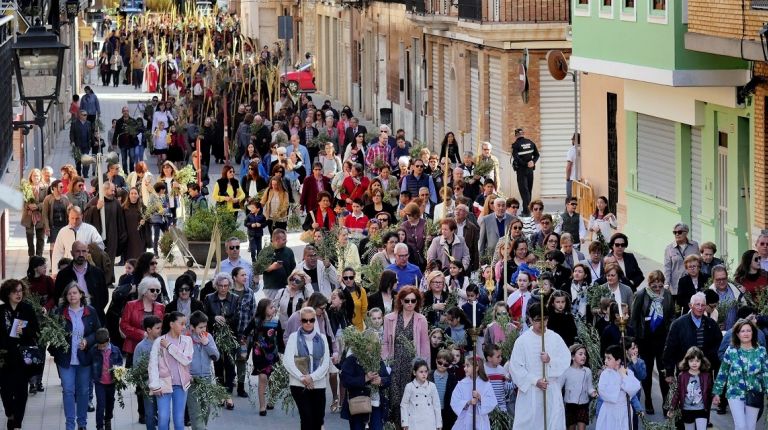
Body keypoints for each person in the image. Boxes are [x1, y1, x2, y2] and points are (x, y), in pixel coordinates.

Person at [509, 303, 571, 430]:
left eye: (545, 319)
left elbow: (565, 360)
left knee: (552, 423)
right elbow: (516, 367)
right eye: (538, 320)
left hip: (550, 389)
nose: (542, 324)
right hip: (531, 391)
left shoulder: (555, 338)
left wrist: (550, 360)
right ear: (530, 320)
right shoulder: (522, 341)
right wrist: (534, 381)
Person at [53, 282, 102, 430]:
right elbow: (53, 331)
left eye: (74, 293)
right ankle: (69, 424)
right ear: (66, 297)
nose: (72, 296)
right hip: (65, 359)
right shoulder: (59, 312)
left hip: (84, 359)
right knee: (68, 390)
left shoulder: (90, 311)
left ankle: (82, 423)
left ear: (81, 294)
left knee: (83, 391)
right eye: (69, 293)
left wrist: (87, 340)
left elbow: (98, 332)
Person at [663, 292, 723, 404]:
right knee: (685, 402)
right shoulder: (678, 324)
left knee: (705, 402)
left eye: (703, 305)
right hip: (685, 371)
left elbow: (718, 348)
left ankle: (704, 421)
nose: (700, 308)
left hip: (705, 371)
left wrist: (712, 365)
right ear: (690, 306)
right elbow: (670, 348)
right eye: (697, 304)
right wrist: (669, 372)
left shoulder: (711, 325)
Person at [383, 286, 431, 425]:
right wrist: (385, 363)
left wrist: (423, 369)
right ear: (401, 301)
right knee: (394, 400)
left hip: (411, 365)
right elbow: (385, 342)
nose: (410, 303)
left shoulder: (421, 319)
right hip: (394, 364)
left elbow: (424, 345)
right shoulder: (389, 318)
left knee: (411, 399)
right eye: (407, 300)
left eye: (413, 300)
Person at [630, 270, 674, 415]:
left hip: (662, 339)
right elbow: (634, 318)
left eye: (660, 286)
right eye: (654, 286)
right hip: (645, 339)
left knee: (664, 372)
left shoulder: (667, 295)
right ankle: (648, 399)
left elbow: (671, 315)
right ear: (649, 284)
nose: (657, 289)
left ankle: (665, 402)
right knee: (647, 372)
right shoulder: (642, 295)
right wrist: (634, 339)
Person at [712, 318, 768, 430]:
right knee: (741, 426)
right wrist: (717, 393)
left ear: (753, 332)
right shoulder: (731, 351)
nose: (746, 333)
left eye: (748, 330)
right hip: (734, 393)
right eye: (742, 331)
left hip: (754, 393)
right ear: (737, 334)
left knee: (750, 427)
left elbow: (765, 374)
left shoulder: (761, 351)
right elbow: (723, 373)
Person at [0, 279, 39, 429]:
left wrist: (25, 331)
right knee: (6, 392)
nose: (18, 294)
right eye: (15, 291)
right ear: (7, 294)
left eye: (20, 290)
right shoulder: (1, 311)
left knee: (22, 392)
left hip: (23, 358)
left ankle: (17, 423)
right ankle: (10, 414)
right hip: (5, 358)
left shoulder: (27, 309)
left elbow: (36, 330)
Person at [284, 307, 331, 430]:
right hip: (298, 384)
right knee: (307, 418)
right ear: (300, 321)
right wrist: (303, 378)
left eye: (311, 320)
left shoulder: (322, 338)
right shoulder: (294, 337)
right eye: (305, 320)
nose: (308, 323)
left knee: (318, 419)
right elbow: (288, 361)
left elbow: (325, 362)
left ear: (315, 320)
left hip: (318, 384)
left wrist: (312, 377)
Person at [148, 311, 193, 430]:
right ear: (171, 324)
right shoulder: (159, 341)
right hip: (163, 384)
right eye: (181, 324)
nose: (184, 327)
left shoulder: (187, 341)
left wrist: (169, 346)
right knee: (163, 417)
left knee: (179, 419)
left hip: (181, 385)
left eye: (185, 324)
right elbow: (153, 365)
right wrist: (155, 385)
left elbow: (186, 360)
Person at [203, 272, 240, 409]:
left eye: (226, 285)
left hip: (230, 336)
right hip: (214, 336)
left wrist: (225, 321)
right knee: (218, 365)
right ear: (216, 286)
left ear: (230, 285)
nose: (223, 288)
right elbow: (205, 316)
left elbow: (237, 318)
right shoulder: (209, 298)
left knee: (230, 365)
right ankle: (220, 394)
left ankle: (228, 395)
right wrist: (214, 319)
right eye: (220, 285)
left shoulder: (235, 299)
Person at [243, 299, 281, 415]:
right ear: (263, 309)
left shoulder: (276, 322)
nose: (274, 309)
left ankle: (271, 400)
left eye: (274, 307)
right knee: (263, 378)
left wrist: (283, 352)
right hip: (259, 354)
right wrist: (244, 348)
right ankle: (262, 406)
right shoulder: (256, 321)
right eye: (271, 307)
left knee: (274, 380)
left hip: (272, 354)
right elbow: (245, 334)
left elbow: (280, 340)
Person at [54, 241, 109, 322]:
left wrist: (95, 312)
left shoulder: (97, 273)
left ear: (87, 252)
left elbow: (104, 297)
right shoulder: (63, 275)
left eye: (83, 251)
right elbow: (57, 297)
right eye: (78, 251)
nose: (81, 254)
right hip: (70, 319)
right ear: (72, 253)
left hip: (93, 318)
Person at [120, 276, 166, 369]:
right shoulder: (131, 305)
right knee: (133, 379)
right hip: (133, 348)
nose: (156, 293)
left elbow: (163, 327)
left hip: (154, 349)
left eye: (158, 290)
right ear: (144, 291)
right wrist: (142, 334)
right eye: (152, 290)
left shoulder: (161, 307)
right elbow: (124, 325)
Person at [595, 344, 642, 430]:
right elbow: (602, 391)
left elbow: (634, 388)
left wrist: (623, 376)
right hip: (609, 410)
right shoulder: (605, 374)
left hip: (624, 409)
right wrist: (620, 387)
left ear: (618, 360)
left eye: (609, 358)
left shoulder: (627, 372)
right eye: (605, 358)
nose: (605, 361)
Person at [186, 311, 220, 430]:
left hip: (206, 378)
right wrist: (186, 375)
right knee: (196, 412)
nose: (203, 329)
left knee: (206, 408)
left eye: (205, 326)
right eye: (200, 327)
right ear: (192, 327)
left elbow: (216, 356)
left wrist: (207, 344)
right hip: (191, 380)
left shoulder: (208, 337)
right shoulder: (186, 339)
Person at [51, 206, 105, 275]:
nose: (74, 221)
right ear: (68, 217)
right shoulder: (63, 231)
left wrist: (88, 248)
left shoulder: (90, 229)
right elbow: (57, 253)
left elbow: (101, 245)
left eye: (77, 218)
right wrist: (55, 272)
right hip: (68, 268)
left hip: (86, 268)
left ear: (82, 216)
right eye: (72, 218)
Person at [669, 346, 712, 430]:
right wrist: (672, 408)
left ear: (701, 362)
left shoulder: (706, 375)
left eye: (697, 361)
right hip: (687, 409)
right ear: (687, 361)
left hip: (702, 409)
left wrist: (715, 397)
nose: (694, 363)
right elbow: (678, 392)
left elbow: (710, 391)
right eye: (691, 361)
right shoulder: (682, 376)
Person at [88, 328, 122, 430]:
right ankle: (99, 426)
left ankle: (107, 419)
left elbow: (120, 362)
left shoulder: (115, 350)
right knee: (100, 404)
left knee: (110, 403)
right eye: (99, 346)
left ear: (108, 341)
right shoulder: (94, 351)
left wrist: (118, 371)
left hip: (111, 383)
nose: (102, 348)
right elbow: (89, 362)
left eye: (104, 346)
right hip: (100, 383)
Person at [400, 358, 442, 430]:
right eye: (421, 372)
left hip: (429, 422)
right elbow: (404, 405)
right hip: (414, 422)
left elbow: (437, 405)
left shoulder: (432, 386)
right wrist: (405, 423)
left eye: (426, 371)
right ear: (414, 373)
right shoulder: (409, 386)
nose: (424, 374)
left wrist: (439, 424)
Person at [563, 344, 597, 430]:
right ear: (573, 357)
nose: (583, 356)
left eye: (585, 354)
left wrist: (593, 392)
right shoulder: (566, 371)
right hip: (570, 405)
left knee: (582, 427)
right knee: (571, 427)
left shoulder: (587, 371)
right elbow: (559, 386)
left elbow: (589, 387)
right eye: (580, 354)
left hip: (583, 405)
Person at [664, 222, 700, 297]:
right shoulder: (669, 248)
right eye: (675, 232)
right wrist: (666, 284)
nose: (677, 234)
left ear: (686, 233)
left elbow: (699, 263)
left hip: (693, 283)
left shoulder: (694, 245)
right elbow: (667, 267)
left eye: (679, 232)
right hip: (676, 285)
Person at [510, 128, 539, 215]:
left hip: (521, 171)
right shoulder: (530, 142)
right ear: (523, 134)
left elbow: (516, 158)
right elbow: (537, 154)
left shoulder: (516, 145)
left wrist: (526, 164)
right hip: (530, 170)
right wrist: (532, 162)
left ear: (516, 135)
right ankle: (526, 209)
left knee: (524, 191)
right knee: (528, 190)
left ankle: (527, 211)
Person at [262, 229, 297, 300]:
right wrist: (271, 267)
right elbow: (258, 269)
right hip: (272, 288)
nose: (286, 241)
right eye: (284, 239)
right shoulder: (265, 252)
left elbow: (293, 268)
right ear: (276, 240)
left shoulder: (289, 251)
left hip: (287, 287)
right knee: (273, 309)